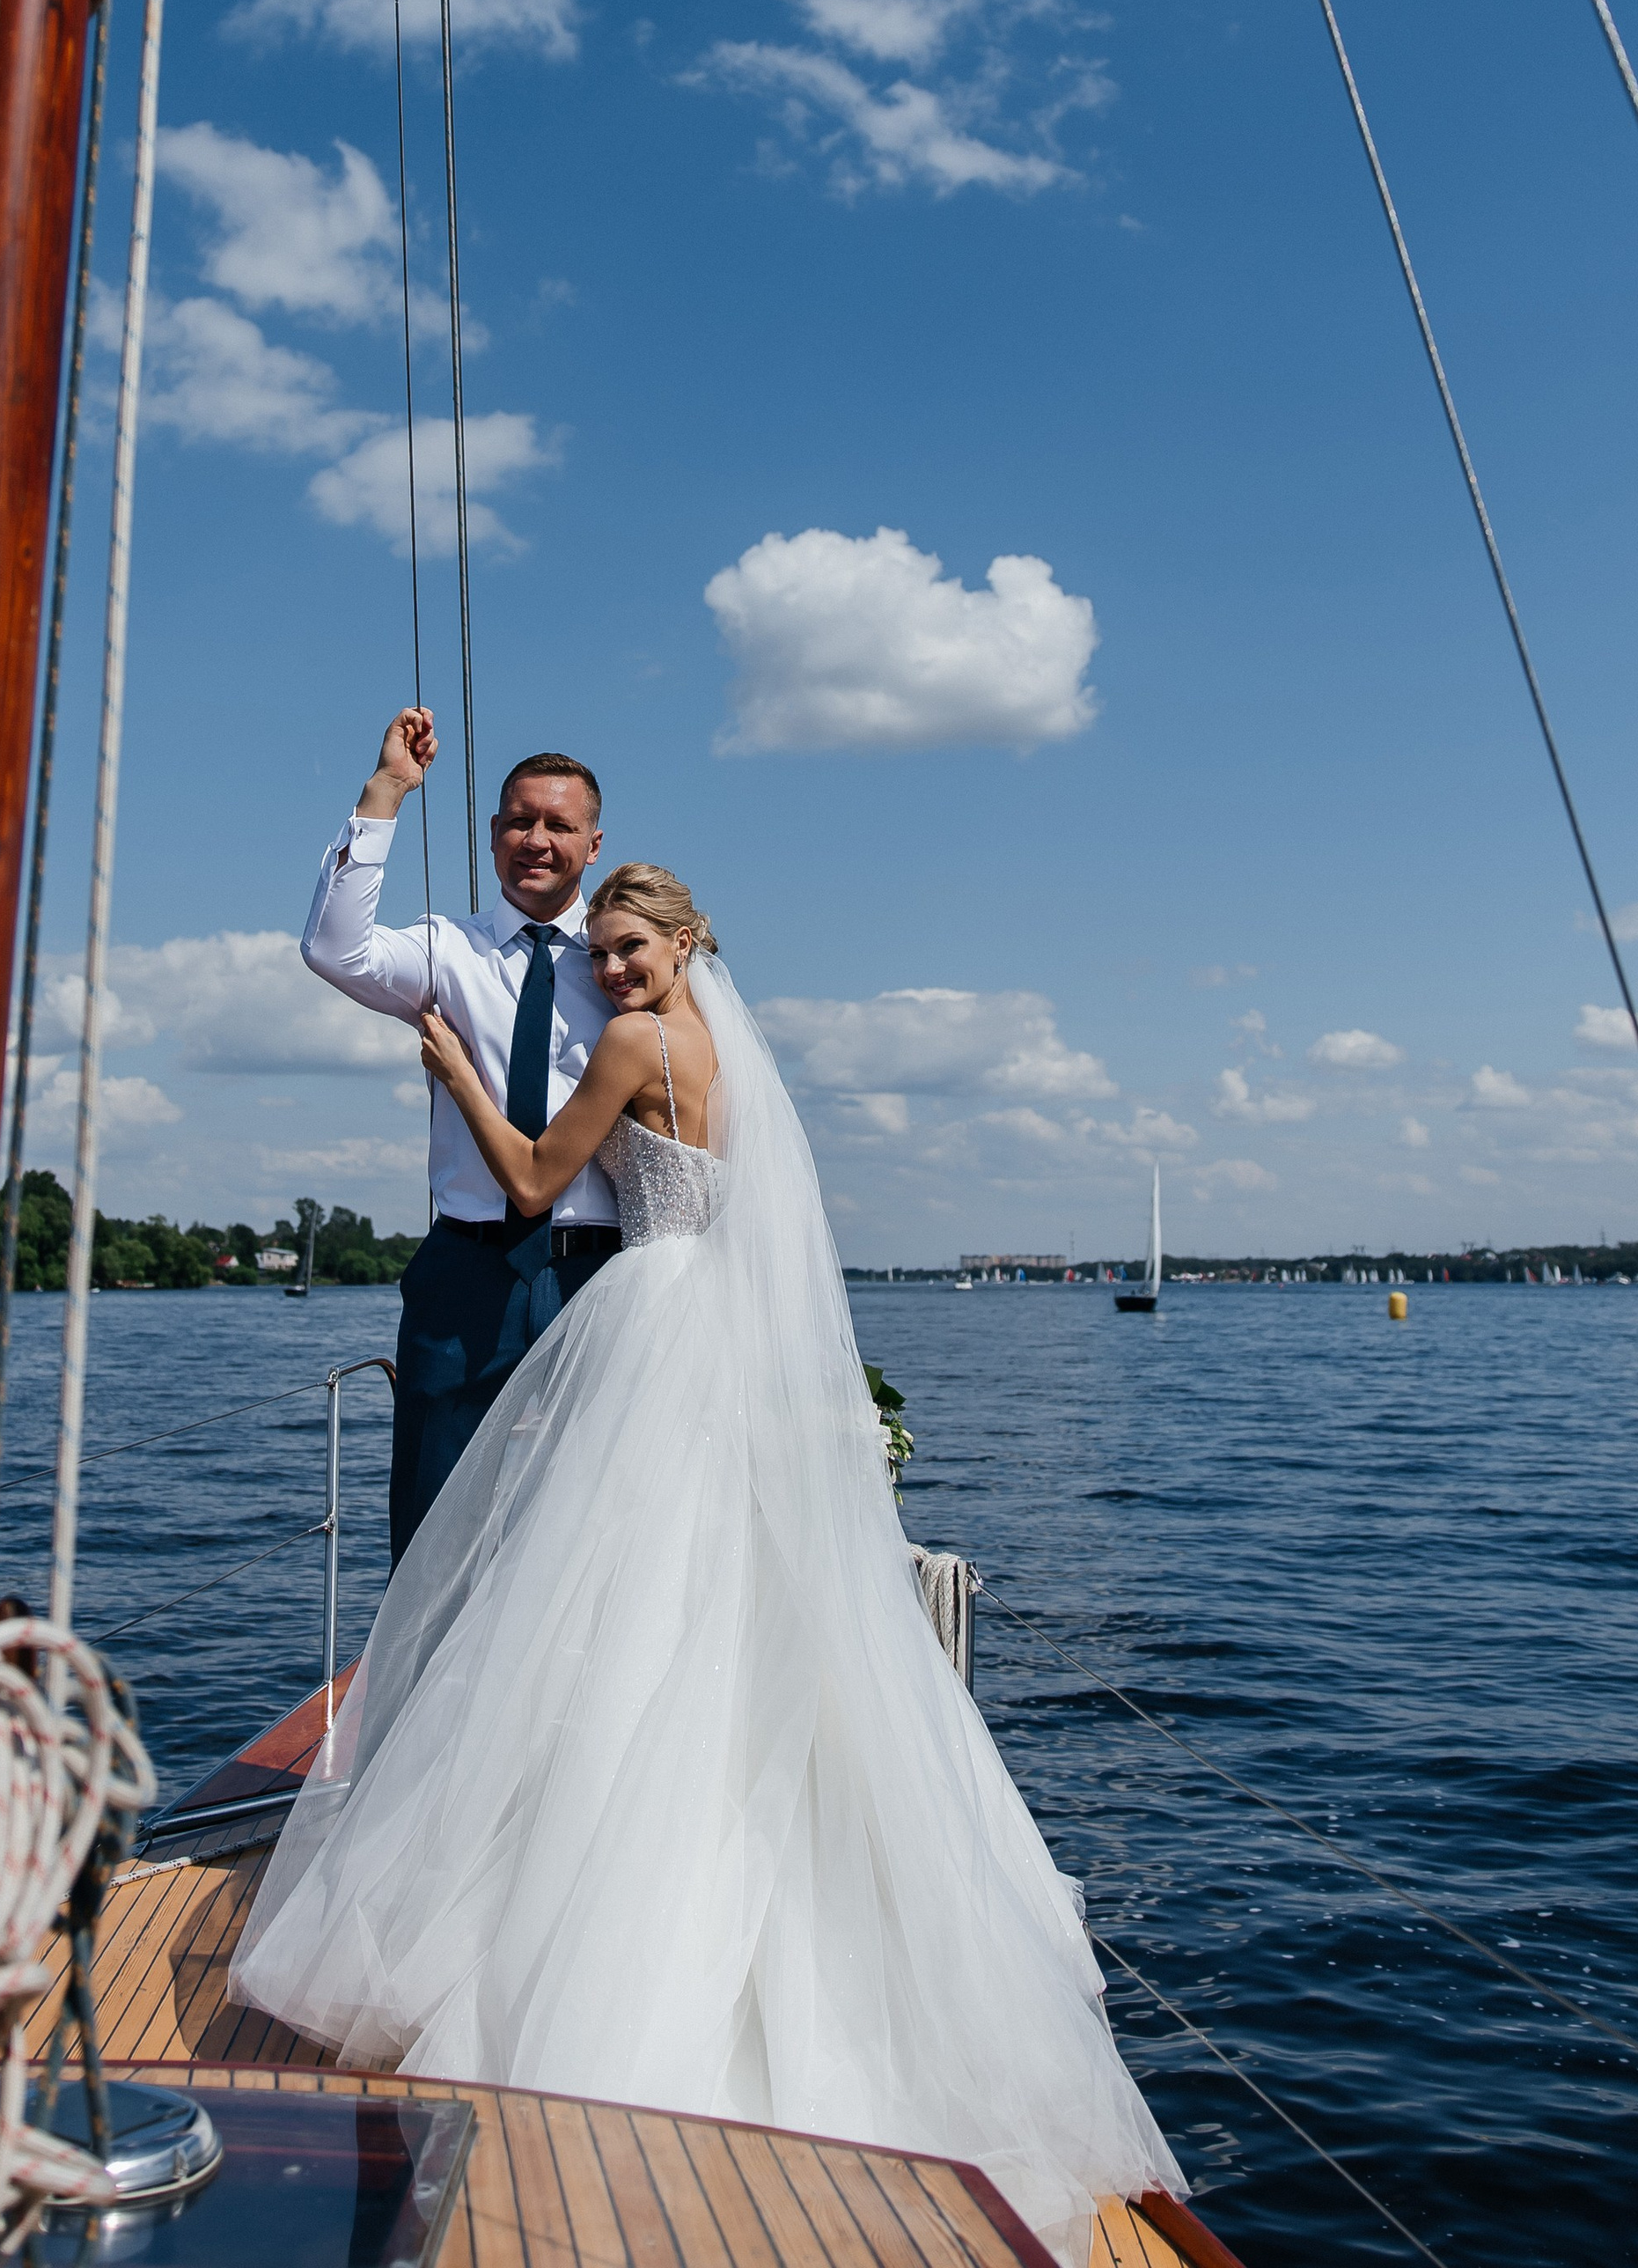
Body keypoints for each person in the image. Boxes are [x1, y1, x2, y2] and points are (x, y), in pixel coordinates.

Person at [235, 867, 1182, 2250]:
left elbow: (531, 1179)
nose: (611, 971)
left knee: (597, 1607)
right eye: (604, 954)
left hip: (649, 1321)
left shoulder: (632, 1043)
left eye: (630, 948)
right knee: (698, 1612)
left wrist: (449, 1065)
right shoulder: (731, 1047)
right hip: (709, 1337)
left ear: (683, 946)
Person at [301, 710, 619, 1558]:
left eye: (559, 824)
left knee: (591, 1523)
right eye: (520, 820)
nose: (537, 839)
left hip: (603, 1272)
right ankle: (422, 1690)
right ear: (491, 836)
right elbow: (336, 951)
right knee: (435, 1525)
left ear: (594, 843)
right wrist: (387, 791)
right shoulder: (450, 948)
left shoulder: (626, 962)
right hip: (467, 1271)